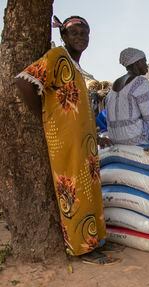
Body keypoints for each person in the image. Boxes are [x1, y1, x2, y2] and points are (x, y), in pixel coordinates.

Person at [15, 16, 120, 265]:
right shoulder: (58, 56)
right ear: (63, 35)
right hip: (64, 140)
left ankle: (94, 241)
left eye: (85, 32)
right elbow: (23, 81)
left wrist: (94, 136)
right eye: (74, 32)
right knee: (74, 191)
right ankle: (82, 249)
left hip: (82, 143)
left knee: (89, 190)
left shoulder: (73, 66)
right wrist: (43, 116)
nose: (81, 36)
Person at [105, 48, 149, 146]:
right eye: (145, 61)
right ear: (137, 62)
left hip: (114, 138)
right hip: (134, 138)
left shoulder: (115, 83)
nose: (147, 65)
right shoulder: (141, 82)